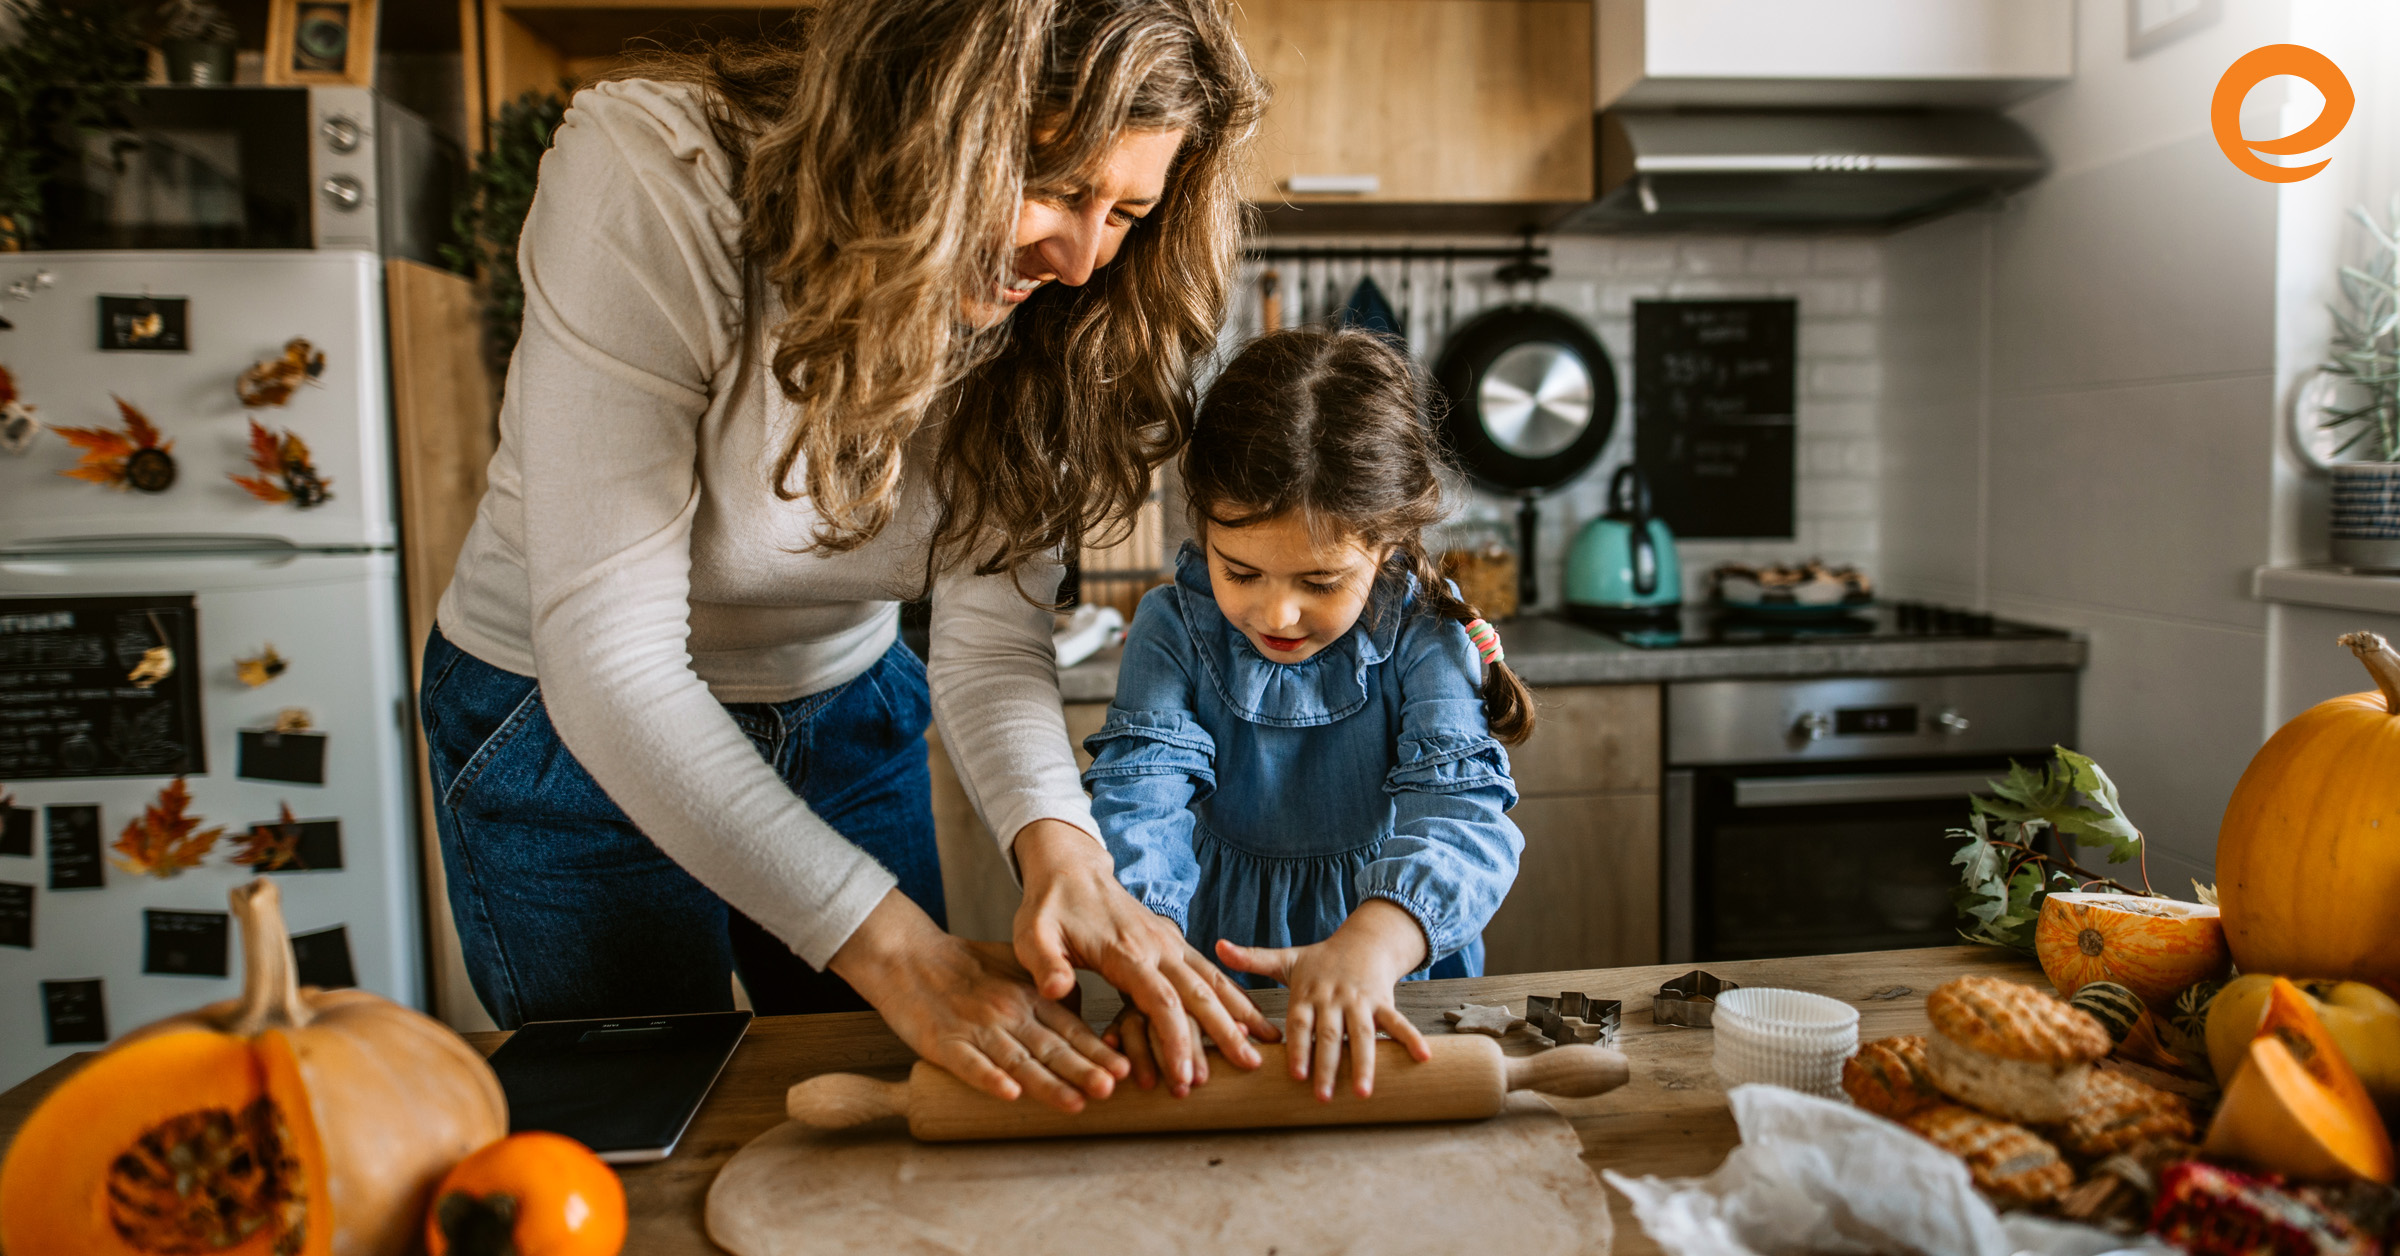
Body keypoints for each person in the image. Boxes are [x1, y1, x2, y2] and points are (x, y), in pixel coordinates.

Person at [419, 0, 1276, 1114]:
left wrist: (1066, 853)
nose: (1077, 259)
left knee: (909, 1110)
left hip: (843, 708)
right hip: (558, 726)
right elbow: (609, 659)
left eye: (1126, 211)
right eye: (1060, 188)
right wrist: (899, 952)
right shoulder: (655, 177)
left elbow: (986, 639)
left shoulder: (1069, 313)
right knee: (636, 1137)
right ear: (922, 117)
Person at [1082, 326, 1532, 1101]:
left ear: (1387, 547)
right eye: (1241, 570)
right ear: (1203, 525)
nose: (1278, 612)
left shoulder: (1427, 638)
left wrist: (1375, 941)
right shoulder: (1172, 630)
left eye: (1320, 581)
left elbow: (1460, 817)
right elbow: (1139, 801)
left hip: (1390, 960)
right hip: (1210, 958)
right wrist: (1149, 951)